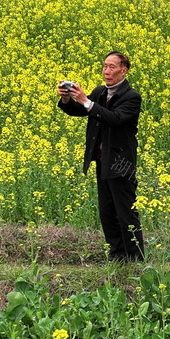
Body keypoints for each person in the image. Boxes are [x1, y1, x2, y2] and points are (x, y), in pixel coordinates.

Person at [57, 51, 144, 261]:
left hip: (121, 163)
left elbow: (115, 119)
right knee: (107, 212)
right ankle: (116, 256)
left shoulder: (131, 96)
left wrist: (86, 101)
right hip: (103, 161)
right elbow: (80, 111)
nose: (106, 71)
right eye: (105, 66)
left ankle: (135, 258)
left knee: (125, 212)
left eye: (112, 67)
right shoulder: (99, 92)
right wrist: (68, 98)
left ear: (124, 70)